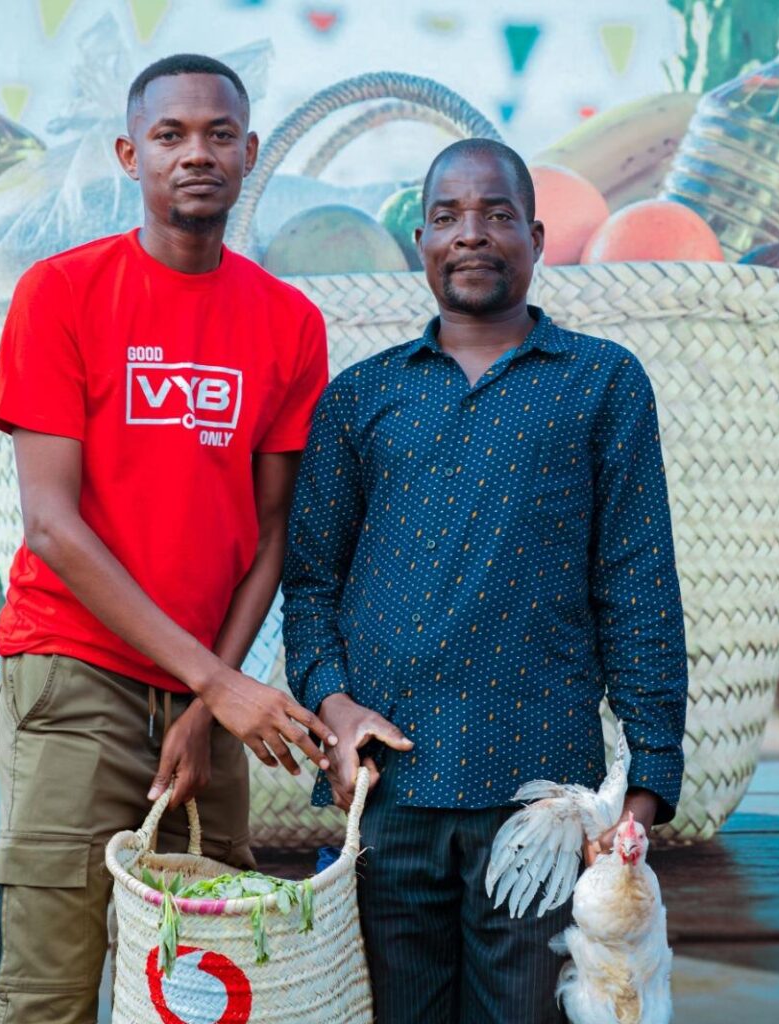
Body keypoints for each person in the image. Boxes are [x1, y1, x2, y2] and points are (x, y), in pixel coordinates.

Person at [282, 138, 688, 1022]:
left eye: (498, 214)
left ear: (535, 239)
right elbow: (309, 586)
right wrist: (334, 706)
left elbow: (639, 589)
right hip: (389, 796)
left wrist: (642, 790)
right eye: (448, 217)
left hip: (541, 803)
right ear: (422, 242)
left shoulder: (602, 384)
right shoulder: (361, 398)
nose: (472, 233)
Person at [0, 54, 337, 1023]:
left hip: (205, 696)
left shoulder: (289, 323)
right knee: (45, 991)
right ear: (128, 153)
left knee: (201, 989)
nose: (196, 154)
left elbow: (274, 531)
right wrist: (219, 686)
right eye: (170, 135)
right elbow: (52, 528)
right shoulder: (60, 294)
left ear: (250, 152)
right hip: (72, 675)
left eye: (219, 135)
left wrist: (207, 698)